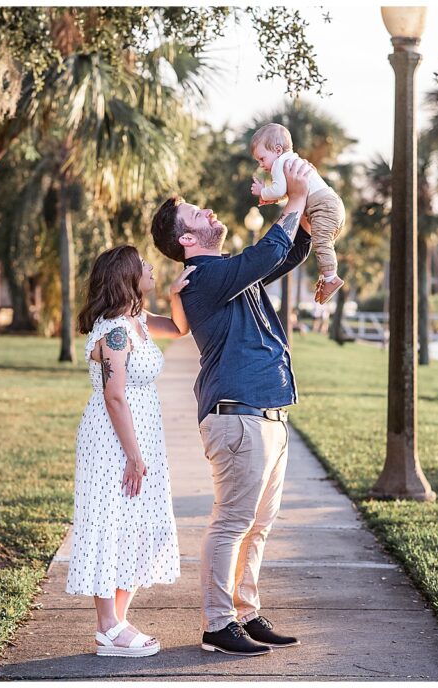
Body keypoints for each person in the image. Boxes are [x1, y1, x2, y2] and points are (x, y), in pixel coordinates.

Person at [150, 157, 314, 657]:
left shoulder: (225, 273)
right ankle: (218, 625)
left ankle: (245, 613)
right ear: (186, 240)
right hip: (237, 414)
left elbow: (280, 257)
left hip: (266, 414)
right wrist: (296, 199)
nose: (210, 212)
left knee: (258, 525)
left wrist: (304, 217)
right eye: (198, 213)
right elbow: (265, 256)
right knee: (232, 522)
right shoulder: (202, 278)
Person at [66, 245, 195, 658]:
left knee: (140, 529)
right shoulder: (115, 332)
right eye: (144, 265)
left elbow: (178, 329)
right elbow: (114, 396)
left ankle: (116, 625)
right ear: (127, 276)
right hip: (113, 443)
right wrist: (134, 457)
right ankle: (107, 626)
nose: (151, 267)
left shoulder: (136, 321)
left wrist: (175, 295)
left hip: (140, 440)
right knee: (110, 523)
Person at [249, 122, 347, 305]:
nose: (261, 165)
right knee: (323, 241)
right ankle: (326, 277)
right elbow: (289, 192)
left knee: (322, 242)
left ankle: (331, 277)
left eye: (262, 159)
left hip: (322, 206)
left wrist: (263, 191)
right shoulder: (294, 161)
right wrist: (271, 198)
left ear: (278, 150)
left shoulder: (280, 163)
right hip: (332, 204)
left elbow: (279, 190)